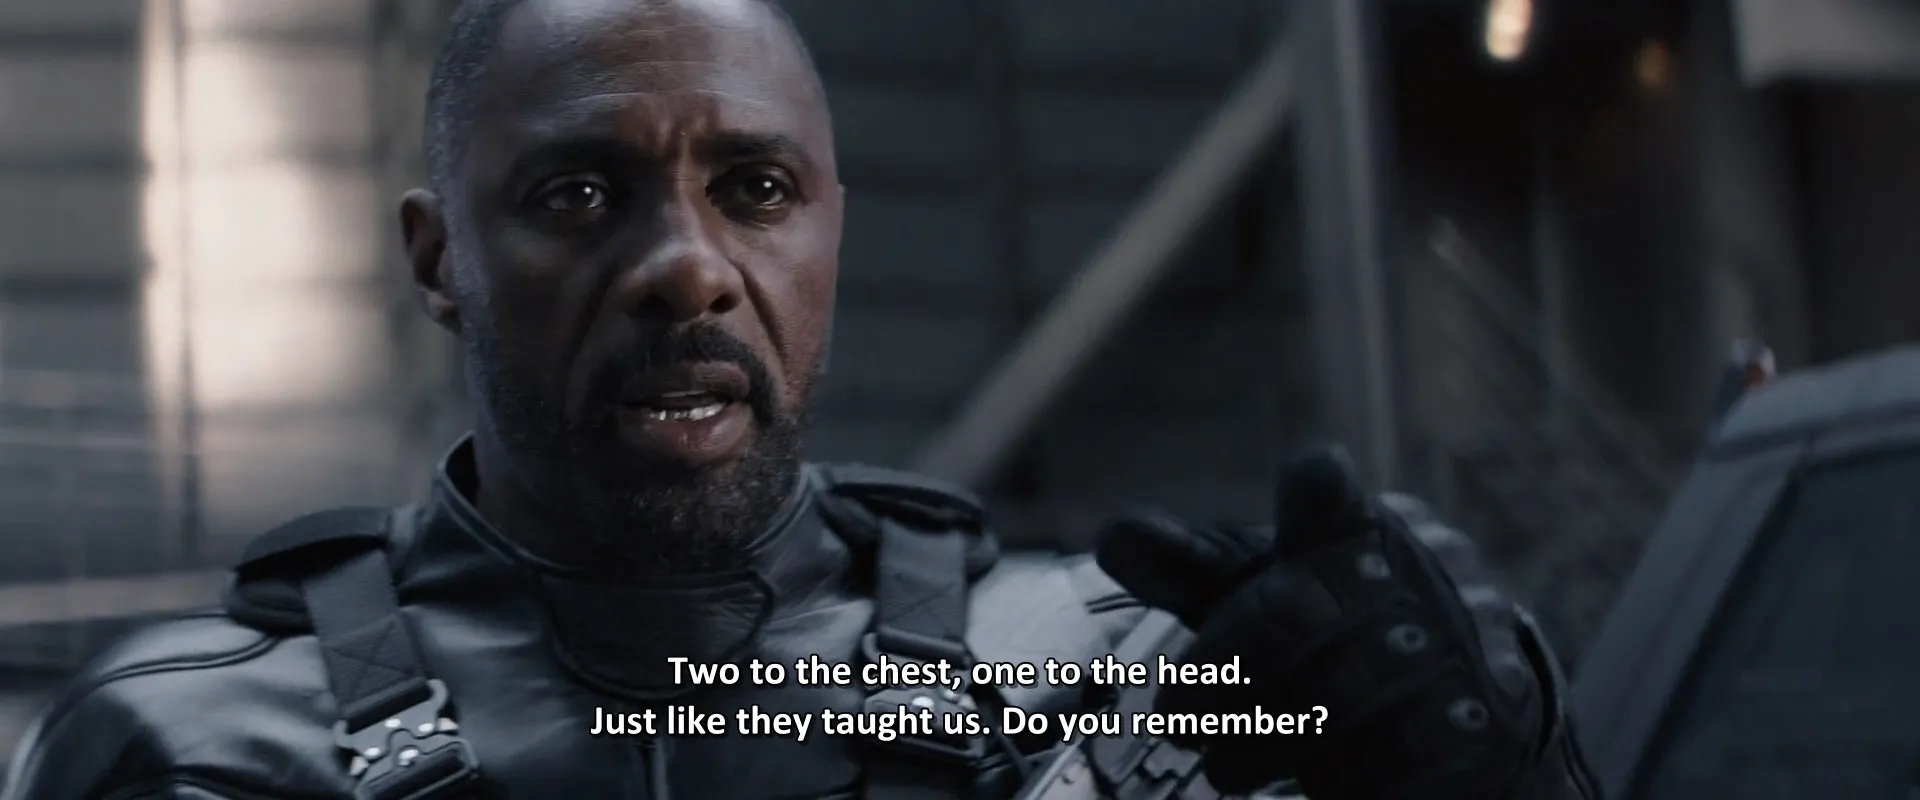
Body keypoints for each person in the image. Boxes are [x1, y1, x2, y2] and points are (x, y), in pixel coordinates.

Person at [1, 0, 1599, 797]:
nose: (684, 270)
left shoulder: (1127, 686)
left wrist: (1509, 768)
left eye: (755, 191)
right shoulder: (190, 743)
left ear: (833, 228)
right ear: (440, 258)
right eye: (578, 195)